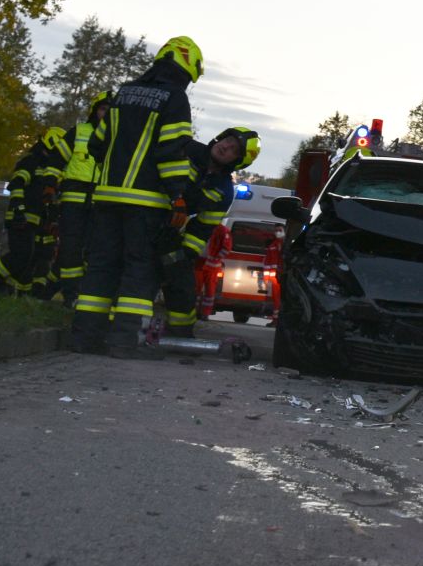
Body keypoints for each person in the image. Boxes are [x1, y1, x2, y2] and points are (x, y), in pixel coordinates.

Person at [70, 36, 201, 357]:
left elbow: (96, 144)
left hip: (106, 200)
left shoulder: (123, 93)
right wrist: (178, 197)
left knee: (101, 266)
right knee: (138, 270)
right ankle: (123, 342)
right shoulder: (173, 99)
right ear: (186, 68)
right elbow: (170, 151)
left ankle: (85, 339)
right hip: (146, 204)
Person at [157, 127, 261, 338]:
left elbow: (203, 227)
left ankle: (180, 332)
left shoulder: (223, 190)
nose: (225, 147)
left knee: (182, 283)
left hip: (167, 232)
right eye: (226, 140)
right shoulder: (188, 150)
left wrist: (184, 255)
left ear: (238, 161)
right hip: (143, 216)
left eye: (233, 149)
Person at [0, 127, 70, 296]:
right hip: (19, 217)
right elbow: (16, 184)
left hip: (33, 221)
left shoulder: (48, 168)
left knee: (28, 257)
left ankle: (6, 287)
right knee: (21, 254)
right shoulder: (31, 162)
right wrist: (18, 210)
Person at [42, 89, 113, 304]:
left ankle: (48, 290)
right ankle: (71, 295)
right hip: (73, 200)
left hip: (100, 203)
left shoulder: (117, 139)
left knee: (91, 251)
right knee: (71, 247)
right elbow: (57, 159)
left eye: (110, 111)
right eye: (103, 109)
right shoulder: (79, 131)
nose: (105, 114)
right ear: (94, 111)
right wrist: (49, 186)